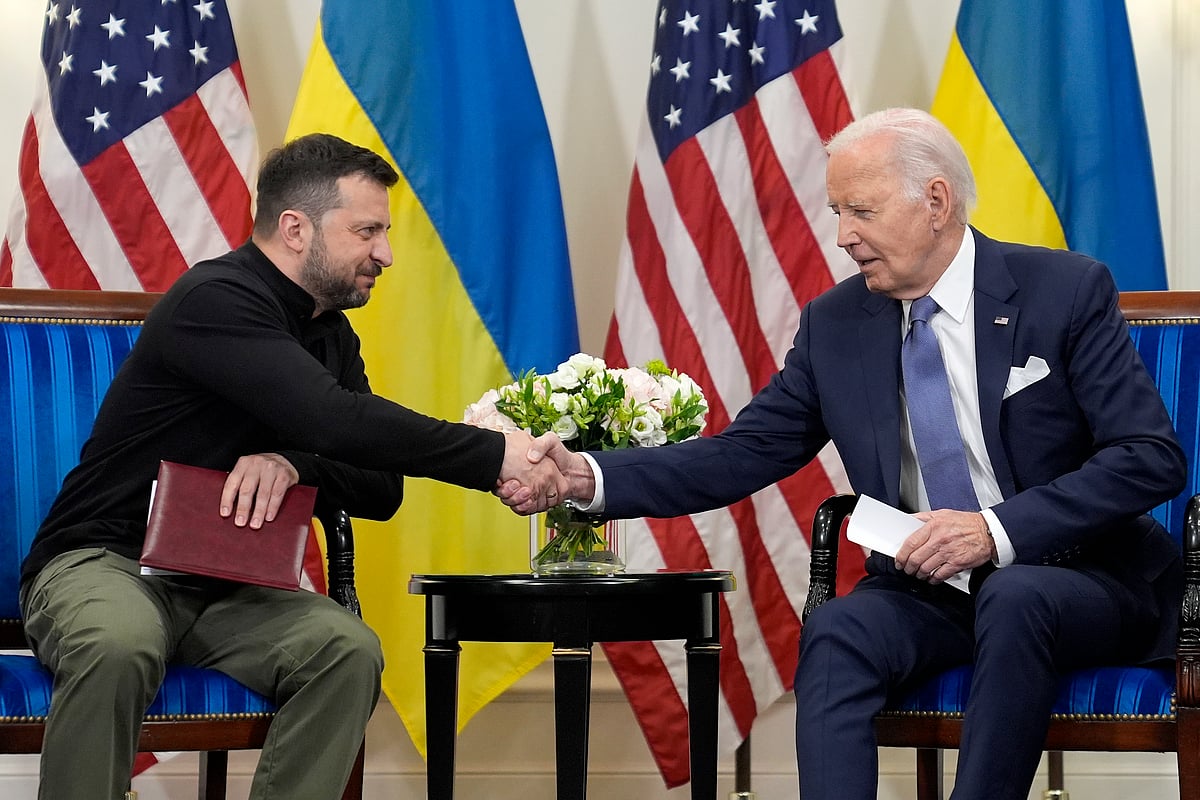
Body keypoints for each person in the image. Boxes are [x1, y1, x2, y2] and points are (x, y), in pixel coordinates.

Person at [502, 108, 1186, 799]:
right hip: (933, 591)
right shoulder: (836, 324)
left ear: (936, 202)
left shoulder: (1061, 290)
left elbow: (1148, 457)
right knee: (838, 629)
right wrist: (582, 476)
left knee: (1014, 595)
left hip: (1079, 579)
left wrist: (993, 531)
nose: (841, 237)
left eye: (861, 210)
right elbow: (738, 454)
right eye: (836, 212)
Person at [20, 132, 566, 800]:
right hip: (103, 563)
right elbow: (334, 418)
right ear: (295, 228)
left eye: (384, 232)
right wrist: (495, 455)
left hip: (222, 587)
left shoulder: (330, 333)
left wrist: (292, 462)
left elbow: (378, 487)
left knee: (346, 653)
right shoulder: (215, 300)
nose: (386, 254)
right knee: (119, 643)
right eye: (367, 231)